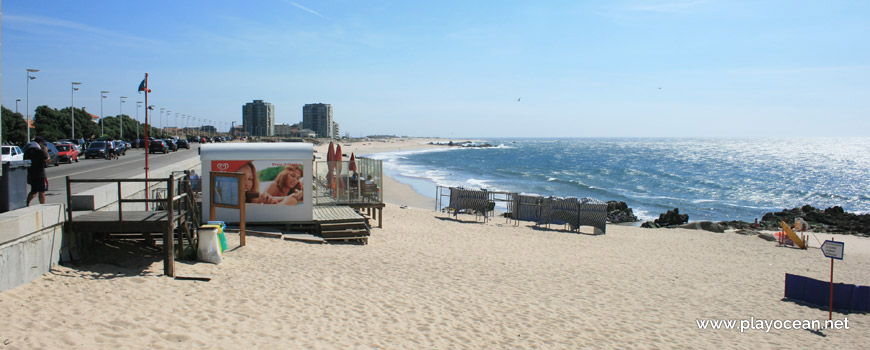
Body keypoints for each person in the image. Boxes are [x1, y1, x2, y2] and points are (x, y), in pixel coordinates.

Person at [25, 136, 51, 206]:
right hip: (40, 174)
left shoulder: (28, 151)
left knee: (33, 191)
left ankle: (27, 203)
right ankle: (42, 205)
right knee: (42, 191)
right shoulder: (40, 151)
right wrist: (45, 150)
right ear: (40, 143)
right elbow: (48, 159)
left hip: (31, 173)